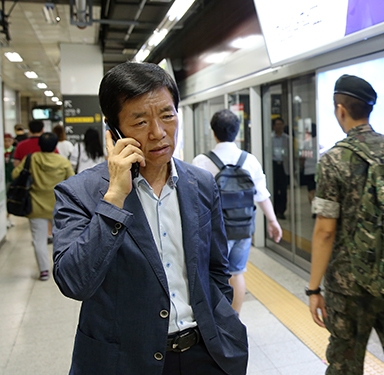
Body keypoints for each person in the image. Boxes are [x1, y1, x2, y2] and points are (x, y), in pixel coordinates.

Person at [52, 62, 248, 375]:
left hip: (205, 354)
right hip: (126, 362)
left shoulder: (201, 183)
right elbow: (75, 283)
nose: (158, 133)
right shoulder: (79, 193)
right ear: (114, 131)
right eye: (140, 122)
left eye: (167, 116)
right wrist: (114, 198)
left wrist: (223, 323)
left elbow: (216, 268)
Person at [308, 74, 384, 374]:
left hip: (351, 287)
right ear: (368, 109)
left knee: (345, 359)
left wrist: (313, 290)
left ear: (340, 110)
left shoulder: (334, 159)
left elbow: (325, 231)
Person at [192, 109, 282, 313]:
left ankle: (216, 321)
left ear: (213, 132)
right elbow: (262, 194)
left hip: (214, 230)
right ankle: (235, 319)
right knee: (237, 273)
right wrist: (273, 221)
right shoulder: (249, 160)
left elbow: (194, 199)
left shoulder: (201, 161)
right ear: (237, 131)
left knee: (212, 273)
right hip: (242, 228)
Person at [13, 132, 74, 280]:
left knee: (38, 240)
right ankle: (62, 268)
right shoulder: (63, 162)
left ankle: (44, 271)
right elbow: (72, 181)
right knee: (62, 239)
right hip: (58, 206)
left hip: (36, 206)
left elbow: (16, 174)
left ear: (39, 145)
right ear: (55, 146)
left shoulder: (32, 159)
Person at [271, 117, 290, 219]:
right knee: (274, 188)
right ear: (274, 126)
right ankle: (273, 210)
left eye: (281, 124)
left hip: (283, 166)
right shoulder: (269, 138)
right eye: (277, 124)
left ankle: (281, 211)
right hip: (273, 165)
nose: (279, 126)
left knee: (283, 190)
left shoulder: (287, 138)